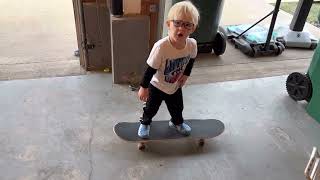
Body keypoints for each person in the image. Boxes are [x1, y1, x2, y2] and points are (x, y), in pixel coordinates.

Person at [137, 0, 200, 139]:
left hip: (175, 85)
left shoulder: (192, 45)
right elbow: (150, 69)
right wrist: (143, 87)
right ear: (168, 24)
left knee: (177, 108)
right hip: (157, 85)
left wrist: (185, 75)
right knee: (151, 109)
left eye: (187, 25)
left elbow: (191, 60)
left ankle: (177, 122)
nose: (181, 29)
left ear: (192, 28)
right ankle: (145, 123)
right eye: (177, 23)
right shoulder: (161, 47)